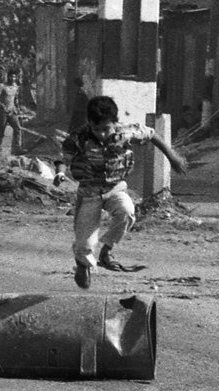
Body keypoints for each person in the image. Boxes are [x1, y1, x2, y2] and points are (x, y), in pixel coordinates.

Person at [63, 94, 188, 289]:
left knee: (127, 212)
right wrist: (59, 173)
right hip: (89, 192)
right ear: (89, 124)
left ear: (115, 122)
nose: (101, 134)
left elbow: (152, 135)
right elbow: (63, 158)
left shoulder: (126, 132)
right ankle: (82, 264)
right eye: (96, 129)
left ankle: (106, 251)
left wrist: (173, 158)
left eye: (106, 129)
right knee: (85, 244)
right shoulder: (78, 137)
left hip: (115, 187)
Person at [0, 69, 22, 157]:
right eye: (11, 76)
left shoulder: (16, 87)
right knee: (1, 131)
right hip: (3, 112)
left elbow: (16, 98)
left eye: (14, 77)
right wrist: (1, 105)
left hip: (12, 111)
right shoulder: (2, 86)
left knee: (17, 129)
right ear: (8, 77)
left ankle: (17, 148)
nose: (13, 78)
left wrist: (18, 108)